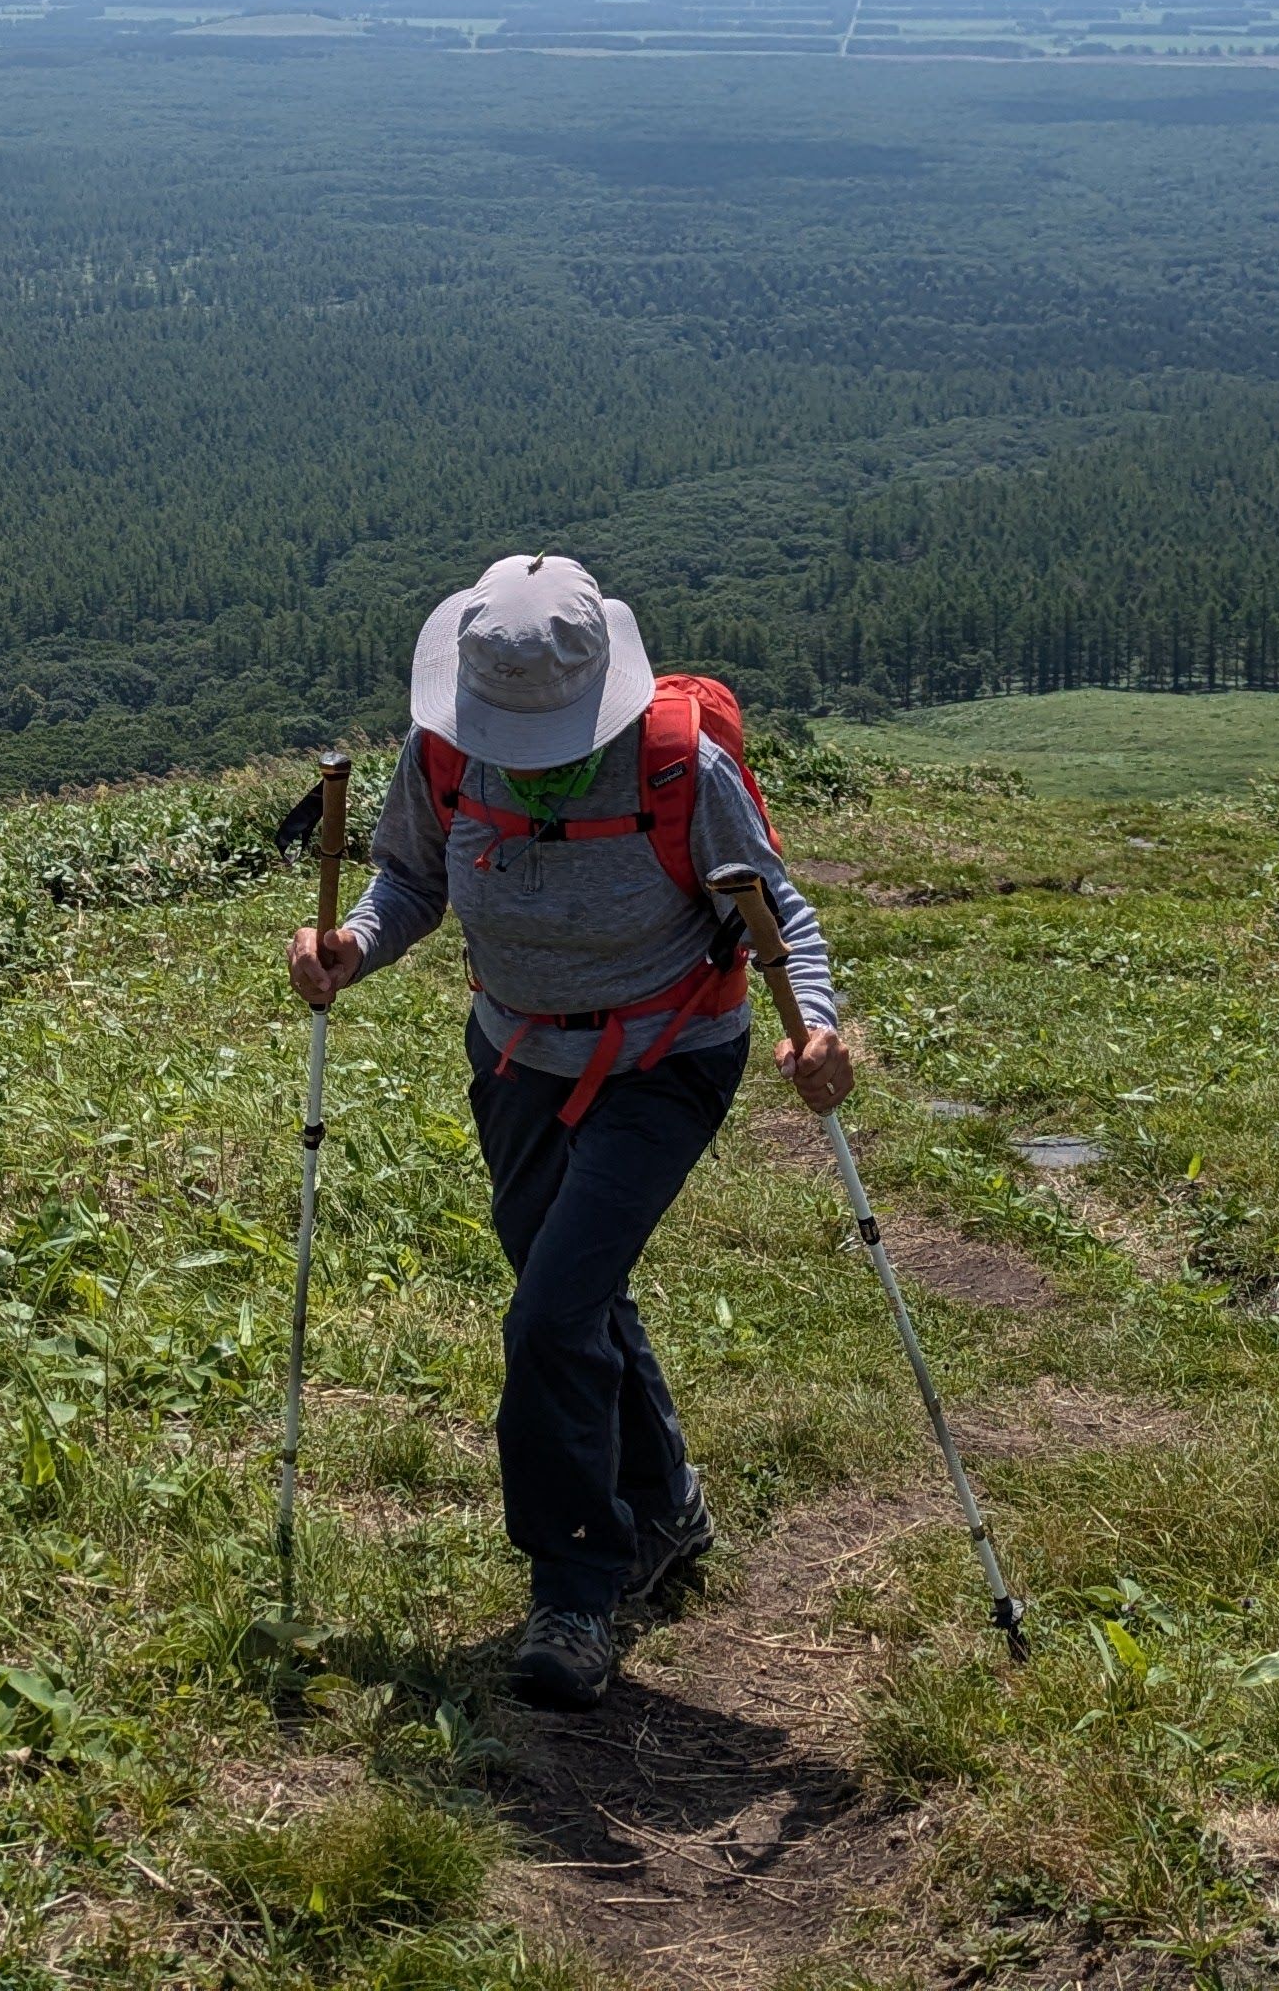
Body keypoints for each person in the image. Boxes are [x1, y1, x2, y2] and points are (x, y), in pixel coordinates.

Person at [289, 550, 852, 1711]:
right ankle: (668, 1509)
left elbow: (775, 908)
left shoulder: (677, 767)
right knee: (575, 1297)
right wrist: (354, 943)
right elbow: (406, 878)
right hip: (515, 1056)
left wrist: (821, 1028)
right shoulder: (442, 751)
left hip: (667, 1058)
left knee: (548, 1313)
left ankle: (576, 1587)